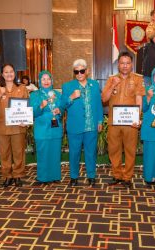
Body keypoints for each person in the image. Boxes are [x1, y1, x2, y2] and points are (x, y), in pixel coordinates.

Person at [101, 51, 145, 188]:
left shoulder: (138, 79)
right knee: (114, 149)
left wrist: (138, 118)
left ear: (131, 64)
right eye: (122, 63)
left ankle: (127, 177)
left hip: (130, 122)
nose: (125, 66)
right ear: (118, 65)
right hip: (114, 122)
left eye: (127, 63)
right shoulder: (111, 79)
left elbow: (139, 99)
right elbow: (104, 99)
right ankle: (116, 175)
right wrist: (113, 85)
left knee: (130, 150)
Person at [61, 59, 103, 187]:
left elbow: (98, 104)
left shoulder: (95, 85)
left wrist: (100, 120)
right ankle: (74, 177)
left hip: (91, 125)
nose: (79, 73)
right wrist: (71, 97)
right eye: (76, 71)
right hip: (75, 126)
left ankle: (91, 176)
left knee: (91, 152)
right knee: (74, 153)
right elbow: (62, 105)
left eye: (82, 71)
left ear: (87, 71)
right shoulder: (68, 86)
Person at [0, 64, 28, 188]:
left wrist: (25, 119)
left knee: (18, 153)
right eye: (6, 72)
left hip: (18, 126)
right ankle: (7, 176)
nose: (9, 74)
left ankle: (18, 176)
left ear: (15, 73)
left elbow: (27, 106)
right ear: (2, 74)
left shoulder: (22, 88)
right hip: (2, 127)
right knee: (4, 153)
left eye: (11, 71)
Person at [30, 71, 63, 185]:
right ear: (39, 81)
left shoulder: (58, 94)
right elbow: (32, 113)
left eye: (48, 79)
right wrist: (41, 106)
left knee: (55, 152)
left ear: (51, 80)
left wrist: (60, 111)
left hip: (55, 128)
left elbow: (63, 108)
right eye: (43, 79)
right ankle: (43, 178)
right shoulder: (35, 95)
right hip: (42, 129)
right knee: (43, 153)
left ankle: (55, 176)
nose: (46, 81)